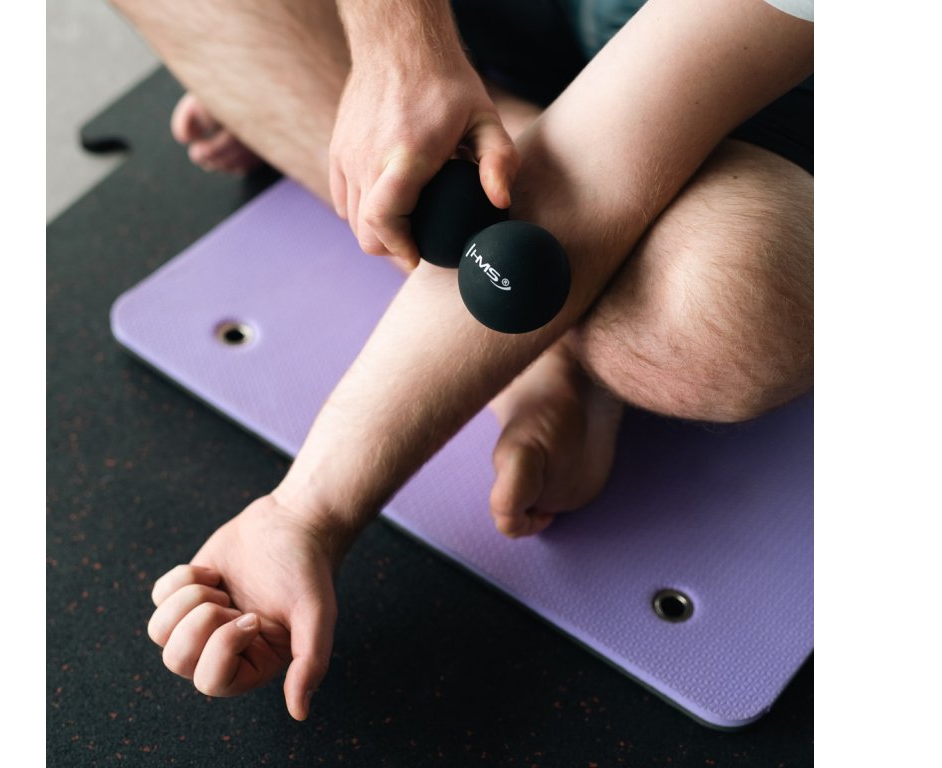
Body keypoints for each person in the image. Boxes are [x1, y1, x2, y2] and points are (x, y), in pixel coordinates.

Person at [111, 0, 814, 720]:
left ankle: (377, 138)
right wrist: (399, 52)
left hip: (757, 86)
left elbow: (596, 172)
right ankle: (527, 263)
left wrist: (304, 511)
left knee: (732, 304)